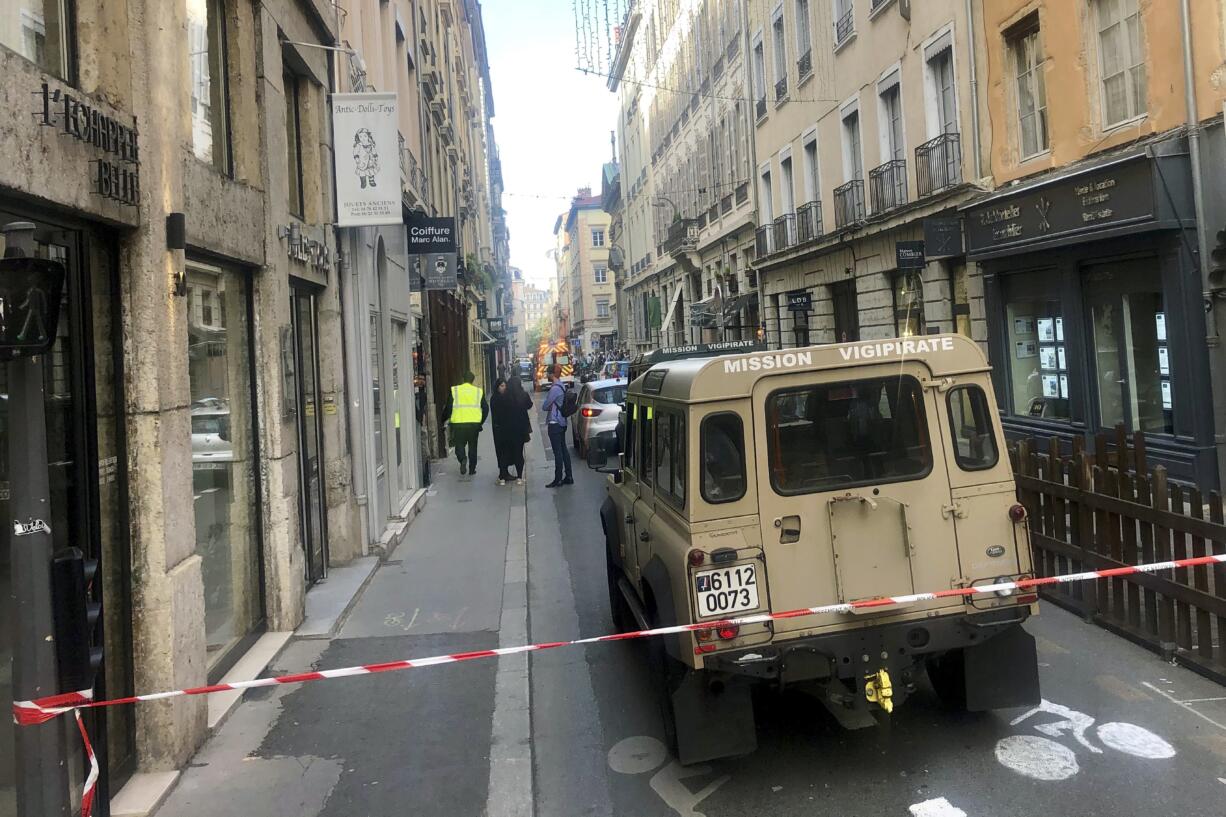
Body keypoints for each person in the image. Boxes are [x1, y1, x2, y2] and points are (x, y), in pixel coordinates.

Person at [441, 370, 488, 476]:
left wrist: (443, 419)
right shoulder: (478, 391)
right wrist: (480, 422)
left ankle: (462, 459)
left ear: (463, 379)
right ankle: (472, 469)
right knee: (473, 446)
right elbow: (486, 408)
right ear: (473, 380)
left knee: (459, 445)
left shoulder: (455, 390)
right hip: (474, 424)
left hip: (459, 423)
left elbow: (448, 408)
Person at [492, 377, 533, 485]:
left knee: (505, 453)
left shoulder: (504, 397)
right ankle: (519, 478)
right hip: (520, 430)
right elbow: (530, 405)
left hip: (506, 431)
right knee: (519, 453)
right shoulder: (523, 395)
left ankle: (502, 478)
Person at [542, 367, 573, 487]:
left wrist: (549, 405)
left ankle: (558, 479)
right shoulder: (561, 386)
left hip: (555, 422)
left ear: (551, 374)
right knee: (564, 449)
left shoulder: (554, 389)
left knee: (557, 452)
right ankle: (569, 476)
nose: (547, 376)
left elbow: (545, 406)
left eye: (548, 374)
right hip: (563, 422)